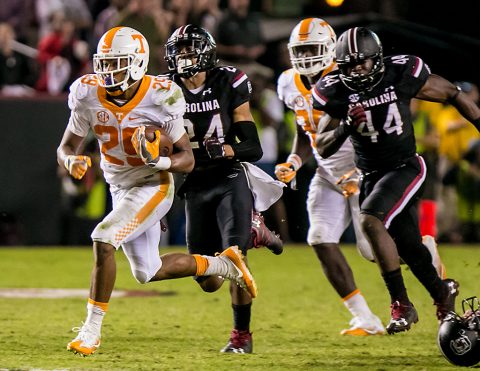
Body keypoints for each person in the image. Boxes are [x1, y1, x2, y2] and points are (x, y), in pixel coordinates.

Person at [57, 26, 257, 356]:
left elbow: (187, 158)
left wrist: (159, 160)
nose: (109, 71)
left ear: (137, 63)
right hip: (118, 186)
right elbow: (66, 145)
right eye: (104, 63)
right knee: (146, 271)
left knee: (103, 238)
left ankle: (91, 330)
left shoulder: (160, 95)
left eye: (117, 63)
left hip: (152, 184)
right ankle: (225, 265)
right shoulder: (86, 92)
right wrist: (70, 160)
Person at [313, 27, 480, 333]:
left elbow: (453, 93)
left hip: (405, 166)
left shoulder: (399, 73)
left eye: (361, 62)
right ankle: (443, 291)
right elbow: (321, 144)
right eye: (349, 65)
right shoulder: (336, 90)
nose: (356, 70)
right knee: (409, 245)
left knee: (370, 221)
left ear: (376, 59)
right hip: (371, 174)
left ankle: (400, 303)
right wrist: (346, 125)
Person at [164, 24, 283, 353]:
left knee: (235, 257)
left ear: (206, 52)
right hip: (195, 183)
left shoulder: (228, 81)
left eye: (190, 50)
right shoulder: (163, 89)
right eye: (179, 52)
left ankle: (241, 335)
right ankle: (256, 229)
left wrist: (224, 150)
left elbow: (253, 146)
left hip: (229, 176)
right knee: (209, 280)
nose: (183, 58)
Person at [275, 18, 384, 336]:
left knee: (372, 251)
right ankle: (364, 316)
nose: (306, 56)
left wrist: (366, 170)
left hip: (363, 171)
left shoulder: (346, 78)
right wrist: (295, 160)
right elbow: (303, 129)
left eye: (312, 48)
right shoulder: (287, 82)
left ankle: (424, 251)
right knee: (320, 238)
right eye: (301, 49)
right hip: (327, 173)